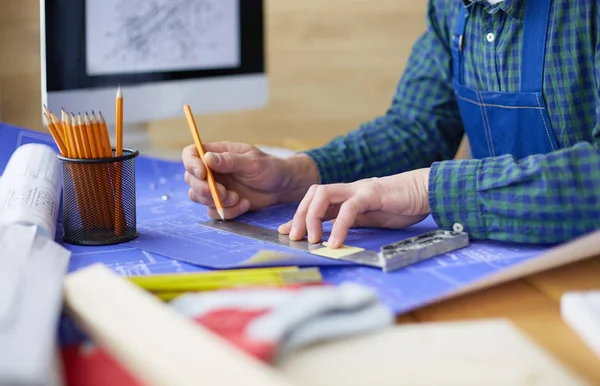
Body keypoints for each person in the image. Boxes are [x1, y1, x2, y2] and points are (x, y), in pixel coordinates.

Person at [182, 0, 600, 249]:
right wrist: (292, 175)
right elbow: (417, 127)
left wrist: (425, 190)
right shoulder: (452, 8)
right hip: (510, 267)